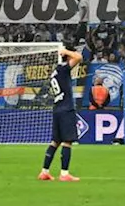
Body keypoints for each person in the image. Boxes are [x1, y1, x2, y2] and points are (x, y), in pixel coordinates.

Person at [38, 47, 83, 182]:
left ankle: (44, 172)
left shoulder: (55, 72)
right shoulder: (63, 69)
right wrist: (65, 51)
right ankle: (64, 174)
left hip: (57, 108)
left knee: (55, 142)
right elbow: (79, 57)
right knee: (67, 142)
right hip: (66, 109)